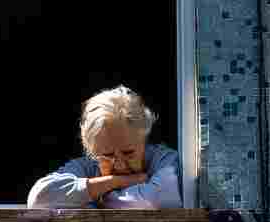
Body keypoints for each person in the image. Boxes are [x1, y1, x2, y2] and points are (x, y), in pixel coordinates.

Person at [26, 86, 182, 209]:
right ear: (92, 152)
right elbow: (39, 199)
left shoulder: (165, 159)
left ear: (144, 140)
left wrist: (98, 198)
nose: (120, 165)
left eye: (128, 153)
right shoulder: (86, 166)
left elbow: (156, 201)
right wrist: (119, 181)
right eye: (107, 155)